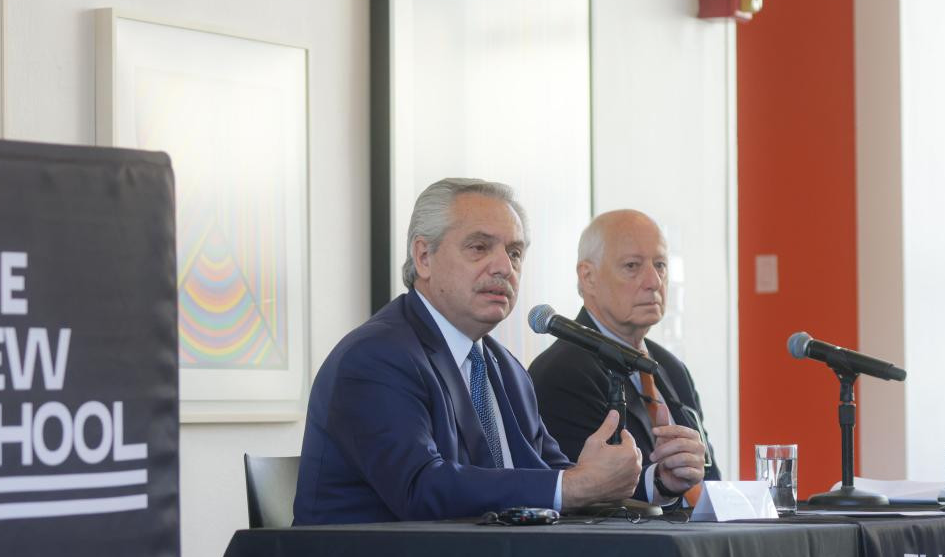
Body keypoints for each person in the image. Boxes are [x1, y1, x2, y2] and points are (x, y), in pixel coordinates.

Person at [293, 179, 643, 525]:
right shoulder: (376, 357)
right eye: (479, 247)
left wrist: (645, 481)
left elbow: (549, 474)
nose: (504, 267)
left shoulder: (504, 367)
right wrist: (573, 485)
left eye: (515, 252)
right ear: (424, 256)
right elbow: (420, 488)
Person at [529, 209, 720, 507]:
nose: (654, 281)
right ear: (588, 277)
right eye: (632, 266)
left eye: (660, 265)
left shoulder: (670, 367)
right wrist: (663, 484)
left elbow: (709, 478)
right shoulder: (562, 372)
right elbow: (590, 493)